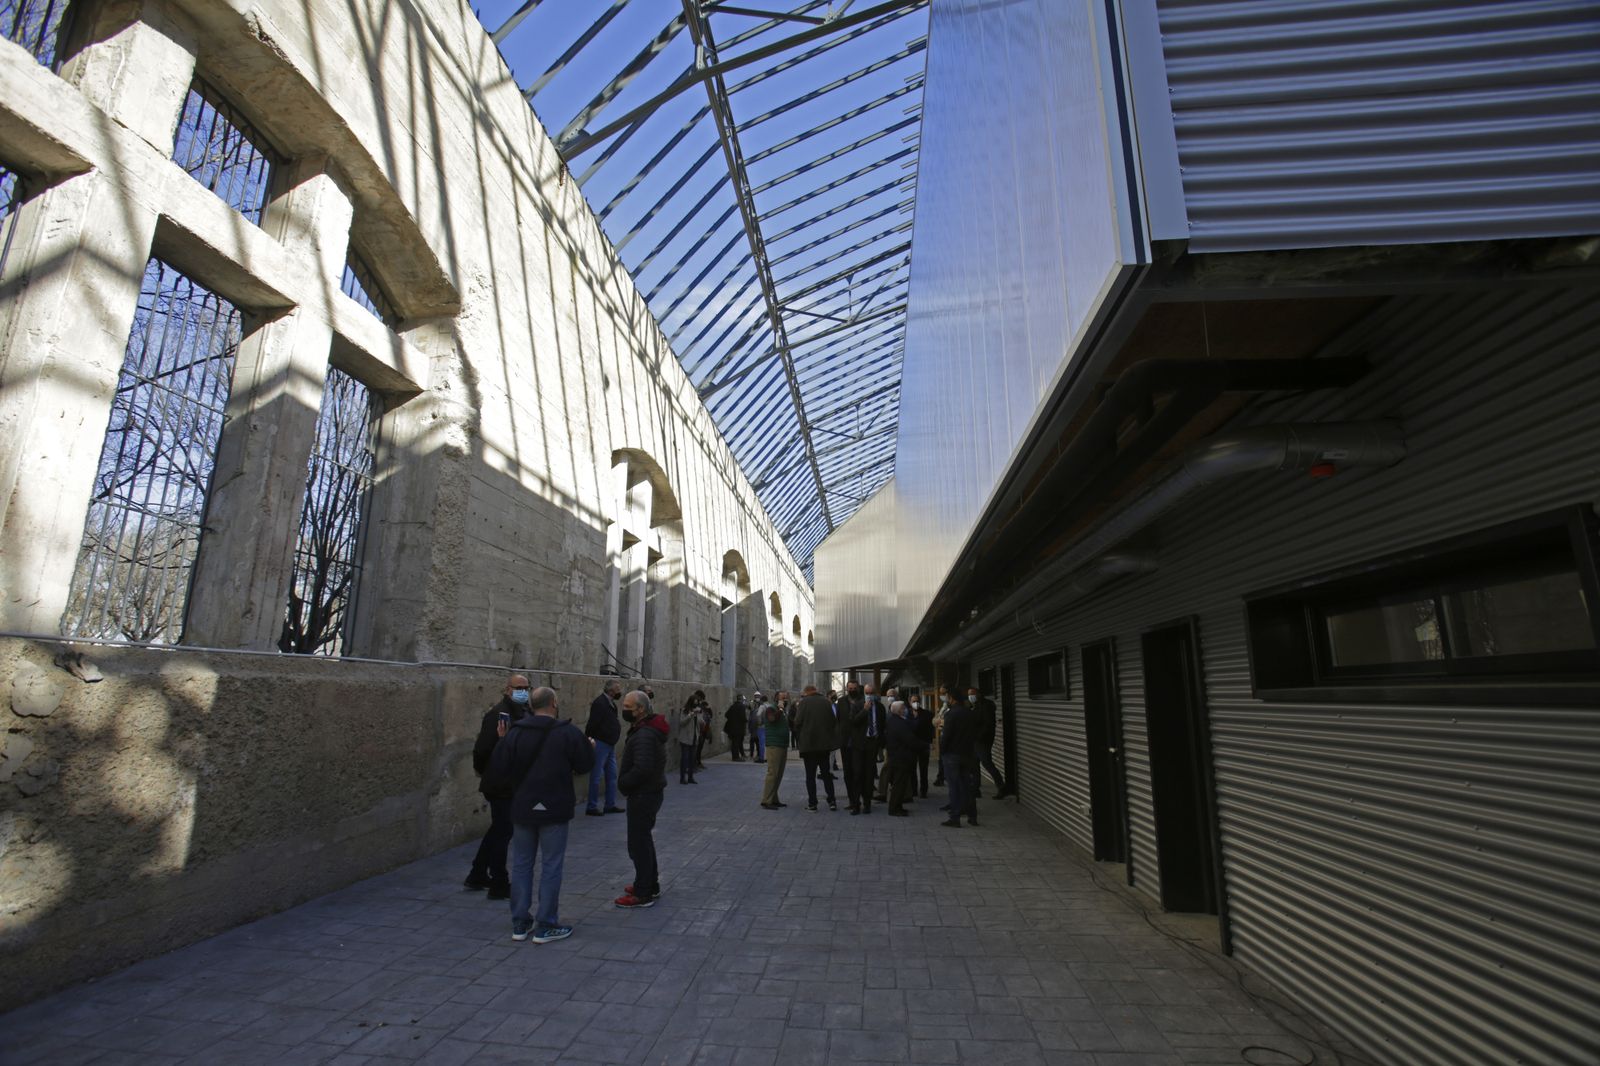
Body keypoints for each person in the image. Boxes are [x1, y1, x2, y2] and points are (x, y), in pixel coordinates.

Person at [489, 686, 594, 942]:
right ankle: (546, 923)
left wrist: (502, 741)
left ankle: (520, 923)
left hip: (523, 807)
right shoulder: (568, 733)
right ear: (554, 703)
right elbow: (584, 766)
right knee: (551, 865)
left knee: (522, 864)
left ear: (532, 705)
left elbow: (500, 768)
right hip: (555, 807)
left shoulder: (515, 733)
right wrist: (588, 747)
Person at [465, 673, 531, 898]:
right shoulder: (498, 715)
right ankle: (499, 882)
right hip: (500, 784)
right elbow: (482, 750)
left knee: (499, 829)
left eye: (526, 687)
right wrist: (490, 772)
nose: (522, 690)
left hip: (511, 783)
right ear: (507, 689)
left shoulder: (523, 712)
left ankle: (477, 873)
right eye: (518, 687)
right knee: (503, 831)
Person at [615, 690, 669, 908]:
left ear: (641, 709)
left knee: (638, 844)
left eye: (628, 706)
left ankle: (643, 892)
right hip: (648, 793)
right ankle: (649, 883)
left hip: (643, 794)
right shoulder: (645, 730)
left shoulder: (645, 734)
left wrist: (624, 782)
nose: (625, 710)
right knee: (643, 841)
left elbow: (643, 767)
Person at [791, 684, 838, 812]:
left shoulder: (804, 703)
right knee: (826, 774)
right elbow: (833, 721)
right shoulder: (826, 702)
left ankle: (813, 803)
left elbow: (797, 721)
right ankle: (832, 801)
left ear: (806, 693)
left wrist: (801, 733)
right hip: (824, 746)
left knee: (810, 776)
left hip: (809, 746)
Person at [938, 692, 979, 828]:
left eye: (947, 697)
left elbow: (947, 736)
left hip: (952, 754)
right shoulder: (970, 713)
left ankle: (955, 817)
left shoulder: (951, 714)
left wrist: (942, 750)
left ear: (952, 698)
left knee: (954, 787)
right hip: (967, 754)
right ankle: (972, 816)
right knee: (967, 785)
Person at [584, 679, 625, 816]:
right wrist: (589, 739)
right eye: (618, 689)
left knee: (612, 775)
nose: (620, 692)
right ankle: (592, 806)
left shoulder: (610, 703)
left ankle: (610, 804)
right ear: (611, 691)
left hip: (609, 744)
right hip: (601, 743)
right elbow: (593, 723)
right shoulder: (600, 703)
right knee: (596, 776)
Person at [848, 684, 886, 815]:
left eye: (871, 692)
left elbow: (882, 725)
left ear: (875, 693)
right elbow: (852, 721)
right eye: (867, 692)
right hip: (859, 745)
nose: (869, 695)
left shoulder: (880, 707)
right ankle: (855, 804)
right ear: (863, 693)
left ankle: (867, 803)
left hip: (872, 744)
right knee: (857, 774)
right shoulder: (857, 705)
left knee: (869, 775)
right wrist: (864, 711)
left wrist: (880, 743)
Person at [884, 699, 923, 816]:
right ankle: (894, 808)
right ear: (900, 710)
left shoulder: (894, 721)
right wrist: (925, 746)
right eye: (904, 708)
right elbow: (909, 739)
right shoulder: (899, 723)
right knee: (899, 784)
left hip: (896, 756)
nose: (905, 710)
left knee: (899, 784)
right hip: (900, 757)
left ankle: (898, 806)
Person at [969, 687, 1009, 797]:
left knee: (986, 762)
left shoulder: (986, 706)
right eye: (969, 694)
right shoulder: (976, 706)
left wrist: (979, 736)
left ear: (979, 694)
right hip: (976, 740)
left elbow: (988, 725)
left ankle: (1001, 787)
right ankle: (975, 789)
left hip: (983, 740)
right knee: (974, 764)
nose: (970, 697)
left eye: (972, 694)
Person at [759, 690, 791, 809]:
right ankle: (766, 801)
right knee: (773, 773)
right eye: (782, 698)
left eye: (786, 698)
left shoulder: (783, 712)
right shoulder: (771, 709)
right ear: (776, 699)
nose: (784, 700)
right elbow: (772, 719)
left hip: (782, 745)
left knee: (779, 774)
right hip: (774, 745)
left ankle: (774, 798)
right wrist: (781, 709)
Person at [835, 683, 864, 811]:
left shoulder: (863, 701)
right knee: (847, 773)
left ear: (858, 688)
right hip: (845, 742)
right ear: (847, 689)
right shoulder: (841, 702)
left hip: (859, 741)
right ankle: (852, 800)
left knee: (858, 773)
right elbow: (838, 719)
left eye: (854, 688)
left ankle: (858, 800)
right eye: (850, 688)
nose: (852, 690)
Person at [873, 686, 899, 803]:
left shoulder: (899, 707)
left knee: (886, 768)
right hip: (890, 743)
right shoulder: (889, 707)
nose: (889, 698)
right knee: (894, 769)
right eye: (888, 696)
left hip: (896, 744)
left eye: (891, 696)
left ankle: (883, 793)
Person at [674, 693, 702, 785]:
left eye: (697, 702)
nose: (696, 704)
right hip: (685, 738)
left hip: (694, 738)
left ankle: (690, 777)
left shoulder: (698, 712)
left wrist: (700, 715)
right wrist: (690, 715)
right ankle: (682, 778)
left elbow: (701, 723)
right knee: (684, 759)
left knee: (692, 759)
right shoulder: (684, 710)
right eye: (695, 702)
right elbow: (682, 722)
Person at [910, 693, 934, 798]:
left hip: (923, 745)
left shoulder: (927, 714)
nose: (916, 703)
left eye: (917, 701)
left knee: (923, 769)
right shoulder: (907, 714)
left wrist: (930, 743)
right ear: (910, 702)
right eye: (913, 701)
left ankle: (924, 790)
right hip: (911, 746)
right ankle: (913, 790)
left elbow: (931, 730)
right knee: (912, 769)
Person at [724, 693, 748, 761]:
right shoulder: (742, 706)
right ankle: (736, 757)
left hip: (732, 728)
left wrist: (733, 719)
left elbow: (726, 715)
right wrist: (746, 721)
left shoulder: (733, 706)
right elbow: (743, 718)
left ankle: (736, 756)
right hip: (739, 728)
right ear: (742, 699)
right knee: (736, 743)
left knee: (734, 742)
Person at [748, 690, 766, 762]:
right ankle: (751, 754)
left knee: (758, 742)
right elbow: (750, 708)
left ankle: (759, 754)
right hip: (753, 725)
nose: (757, 697)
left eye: (758, 696)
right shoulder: (752, 703)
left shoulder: (762, 705)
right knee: (752, 742)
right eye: (756, 696)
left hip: (758, 725)